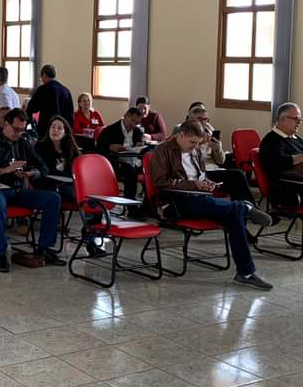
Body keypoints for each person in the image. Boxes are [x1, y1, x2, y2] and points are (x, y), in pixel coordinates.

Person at [151, 120, 273, 290]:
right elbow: (160, 182)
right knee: (232, 209)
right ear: (181, 135)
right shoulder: (162, 150)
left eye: (197, 143)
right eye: (192, 142)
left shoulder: (195, 151)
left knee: (233, 216)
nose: (195, 146)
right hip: (176, 201)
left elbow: (200, 176)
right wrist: (194, 185)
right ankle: (246, 208)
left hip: (199, 197)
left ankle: (245, 273)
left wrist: (206, 183)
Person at [0, 108, 65, 272]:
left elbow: (43, 167)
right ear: (6, 124)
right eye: (16, 129)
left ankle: (44, 248)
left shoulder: (22, 142)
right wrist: (3, 170)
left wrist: (32, 173)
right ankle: (1, 252)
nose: (19, 133)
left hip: (17, 190)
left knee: (53, 199)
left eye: (22, 129)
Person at [34, 116, 106, 257]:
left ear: (65, 132)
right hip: (49, 185)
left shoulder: (70, 147)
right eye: (53, 127)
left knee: (93, 201)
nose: (55, 130)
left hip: (68, 184)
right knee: (83, 198)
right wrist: (61, 172)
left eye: (59, 128)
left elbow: (80, 168)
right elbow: (43, 171)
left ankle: (91, 240)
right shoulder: (40, 147)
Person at [259, 102, 303, 208]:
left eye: (300, 119)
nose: (299, 122)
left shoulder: (296, 138)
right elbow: (278, 163)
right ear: (282, 118)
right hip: (288, 188)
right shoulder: (271, 140)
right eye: (295, 119)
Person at [96, 107, 144, 202]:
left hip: (134, 161)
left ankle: (148, 205)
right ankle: (131, 204)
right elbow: (98, 150)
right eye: (132, 120)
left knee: (151, 170)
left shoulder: (137, 131)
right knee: (131, 172)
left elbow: (139, 146)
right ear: (126, 115)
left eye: (137, 123)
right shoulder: (110, 130)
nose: (134, 125)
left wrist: (140, 145)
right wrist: (110, 147)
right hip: (117, 163)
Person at [26, 64, 74, 134]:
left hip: (46, 129)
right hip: (61, 129)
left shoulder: (43, 89)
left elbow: (31, 108)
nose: (41, 80)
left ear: (44, 75)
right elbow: (70, 114)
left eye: (41, 77)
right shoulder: (66, 91)